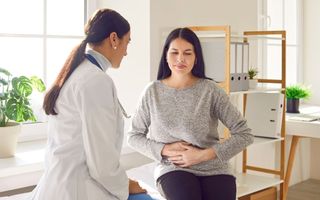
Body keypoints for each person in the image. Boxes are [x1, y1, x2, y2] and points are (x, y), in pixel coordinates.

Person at [29, 8, 152, 200]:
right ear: (113, 39)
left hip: (57, 182)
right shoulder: (96, 81)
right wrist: (126, 184)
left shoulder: (77, 72)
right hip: (79, 187)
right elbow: (101, 163)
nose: (126, 52)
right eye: (127, 42)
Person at [127, 27, 254, 200]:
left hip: (214, 168)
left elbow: (244, 134)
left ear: (196, 58)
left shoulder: (211, 90)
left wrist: (202, 155)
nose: (180, 59)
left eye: (187, 53)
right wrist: (164, 149)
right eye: (174, 52)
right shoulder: (152, 92)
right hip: (174, 169)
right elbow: (134, 136)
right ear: (166, 56)